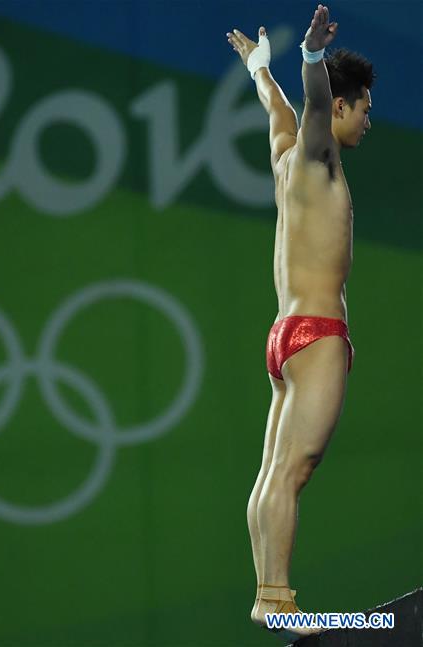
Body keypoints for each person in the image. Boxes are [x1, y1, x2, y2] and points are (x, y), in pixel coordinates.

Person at [226, 4, 374, 640]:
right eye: (364, 108)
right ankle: (277, 600)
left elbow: (278, 108)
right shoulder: (319, 156)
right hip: (315, 336)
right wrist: (312, 57)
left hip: (284, 338)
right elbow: (310, 105)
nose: (368, 120)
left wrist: (262, 70)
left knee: (271, 475)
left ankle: (267, 594)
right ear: (341, 108)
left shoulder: (286, 152)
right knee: (290, 474)